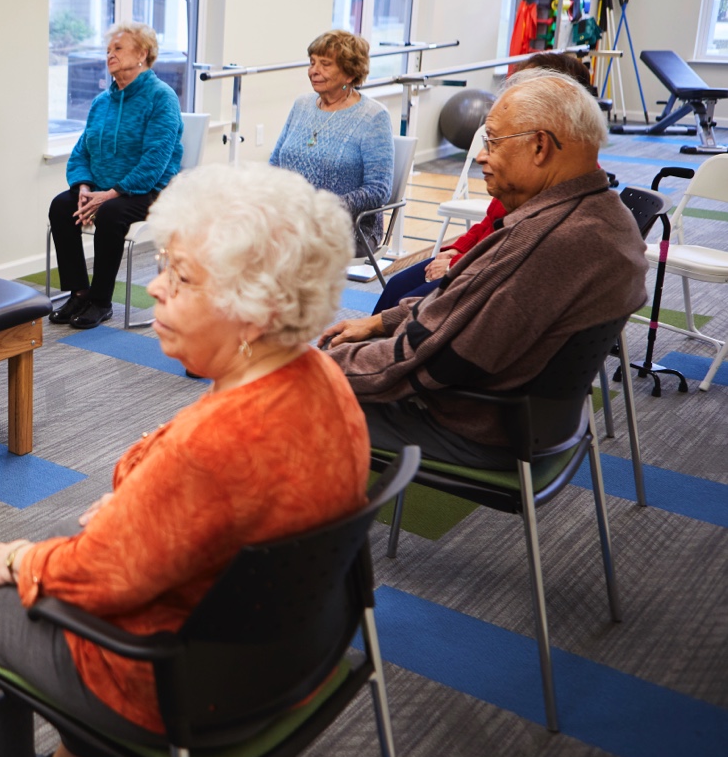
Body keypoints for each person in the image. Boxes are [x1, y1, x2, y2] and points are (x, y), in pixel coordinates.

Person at [0, 164, 371, 757]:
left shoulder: (213, 443)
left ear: (254, 311)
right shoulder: (323, 376)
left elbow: (100, 574)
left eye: (182, 276)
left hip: (180, 685)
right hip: (298, 650)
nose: (156, 289)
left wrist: (14, 558)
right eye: (164, 266)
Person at [321, 71, 647, 469]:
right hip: (537, 417)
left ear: (540, 146)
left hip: (471, 422)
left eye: (492, 140)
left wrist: (309, 369)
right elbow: (466, 302)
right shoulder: (598, 214)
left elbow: (433, 361)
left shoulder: (552, 244)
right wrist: (380, 323)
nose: (480, 155)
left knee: (279, 404)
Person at [371, 50, 603, 313]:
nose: (483, 157)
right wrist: (455, 250)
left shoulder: (558, 190)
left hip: (483, 277)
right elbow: (490, 224)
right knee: (396, 287)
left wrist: (458, 262)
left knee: (407, 309)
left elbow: (507, 257)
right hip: (476, 263)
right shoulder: (528, 173)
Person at [48, 22, 183, 329]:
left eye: (118, 49)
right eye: (108, 50)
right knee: (60, 206)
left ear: (142, 54)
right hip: (101, 188)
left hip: (150, 190)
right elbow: (82, 151)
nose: (110, 55)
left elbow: (156, 160)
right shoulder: (102, 102)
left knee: (110, 214)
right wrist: (83, 187)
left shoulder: (161, 98)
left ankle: (100, 301)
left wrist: (109, 194)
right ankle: (79, 293)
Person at [270, 29, 394, 253]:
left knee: (279, 248)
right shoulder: (302, 105)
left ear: (349, 73)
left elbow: (379, 190)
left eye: (325, 64)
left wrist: (323, 208)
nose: (313, 71)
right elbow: (275, 163)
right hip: (291, 220)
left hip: (349, 228)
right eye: (312, 62)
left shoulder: (373, 116)